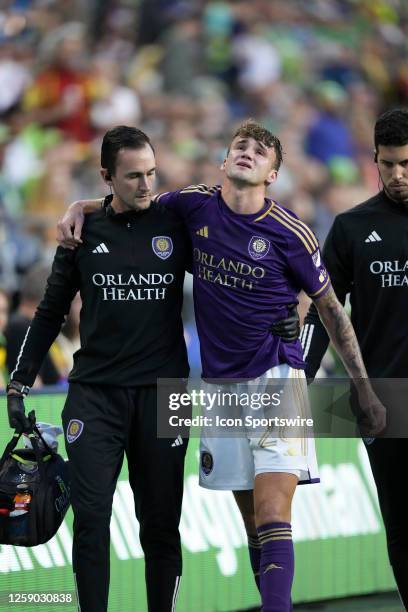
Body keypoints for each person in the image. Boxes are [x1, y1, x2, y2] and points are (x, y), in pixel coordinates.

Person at [57, 120, 386, 612]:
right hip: (219, 389)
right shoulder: (191, 205)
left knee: (275, 511)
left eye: (259, 151)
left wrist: (363, 388)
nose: (247, 153)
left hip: (278, 377)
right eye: (240, 146)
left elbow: (333, 311)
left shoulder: (290, 231)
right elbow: (128, 205)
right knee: (254, 520)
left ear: (273, 173)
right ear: (223, 162)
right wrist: (80, 205)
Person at [6, 126, 193, 612]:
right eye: (133, 176)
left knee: (160, 524)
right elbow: (49, 311)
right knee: (91, 520)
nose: (146, 185)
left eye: (152, 173)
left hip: (165, 394)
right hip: (96, 395)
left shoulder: (177, 222)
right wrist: (19, 380)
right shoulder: (83, 233)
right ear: (107, 176)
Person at [301, 107, 408, 609]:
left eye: (406, 163)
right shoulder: (351, 227)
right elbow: (322, 311)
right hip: (383, 400)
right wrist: (296, 379)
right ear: (374, 161)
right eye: (387, 164)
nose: (397, 175)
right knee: (402, 528)